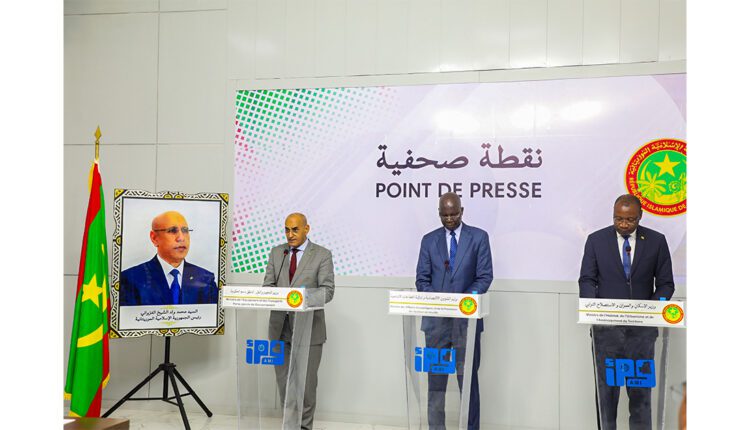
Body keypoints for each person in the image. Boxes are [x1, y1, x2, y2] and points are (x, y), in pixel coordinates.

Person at [579, 194, 675, 430]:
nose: (623, 224)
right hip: (605, 335)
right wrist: (595, 310)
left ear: (640, 217)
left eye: (629, 220)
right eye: (618, 219)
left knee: (640, 398)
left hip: (641, 336)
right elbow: (587, 280)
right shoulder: (596, 240)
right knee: (606, 397)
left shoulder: (656, 241)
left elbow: (666, 284)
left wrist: (650, 311)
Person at [415, 192, 493, 430]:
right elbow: (422, 280)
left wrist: (461, 302)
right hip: (436, 326)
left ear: (462, 211)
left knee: (468, 384)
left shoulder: (479, 237)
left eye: (453, 214)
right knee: (436, 385)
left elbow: (484, 277)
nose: (449, 219)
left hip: (466, 325)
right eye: (444, 215)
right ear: (439, 213)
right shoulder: (429, 241)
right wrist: (440, 302)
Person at [262, 213, 335, 430]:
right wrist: (278, 296)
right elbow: (268, 287)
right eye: (287, 229)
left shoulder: (322, 254)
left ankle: (304, 427)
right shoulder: (277, 252)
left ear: (306, 229)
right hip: (279, 328)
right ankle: (289, 425)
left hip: (309, 329)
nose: (290, 234)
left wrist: (300, 299)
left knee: (306, 387)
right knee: (284, 384)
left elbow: (327, 291)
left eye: (295, 229)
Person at [119, 211, 218, 306]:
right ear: (154, 238)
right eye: (172, 231)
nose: (181, 238)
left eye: (185, 231)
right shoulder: (131, 279)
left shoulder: (205, 278)